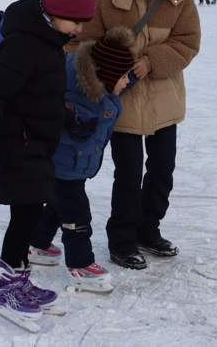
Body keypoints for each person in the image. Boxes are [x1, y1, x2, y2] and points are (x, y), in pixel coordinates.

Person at [0, 0, 96, 330]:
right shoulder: (23, 45)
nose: (81, 29)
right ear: (54, 12)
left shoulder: (49, 40)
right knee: (25, 217)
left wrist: (68, 117)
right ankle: (4, 285)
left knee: (31, 211)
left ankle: (18, 277)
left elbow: (43, 93)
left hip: (35, 142)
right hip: (14, 144)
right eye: (76, 21)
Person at [75, 0, 200, 270]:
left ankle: (149, 228)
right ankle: (123, 238)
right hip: (122, 102)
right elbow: (81, 43)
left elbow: (188, 42)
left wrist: (152, 61)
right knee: (128, 173)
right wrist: (113, 66)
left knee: (163, 170)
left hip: (164, 98)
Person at [28, 27, 136, 293]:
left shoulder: (100, 84)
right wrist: (74, 123)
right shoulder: (78, 98)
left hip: (71, 164)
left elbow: (113, 79)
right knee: (76, 214)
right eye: (123, 77)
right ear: (107, 76)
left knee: (56, 205)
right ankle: (81, 264)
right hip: (65, 163)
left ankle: (36, 243)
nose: (126, 82)